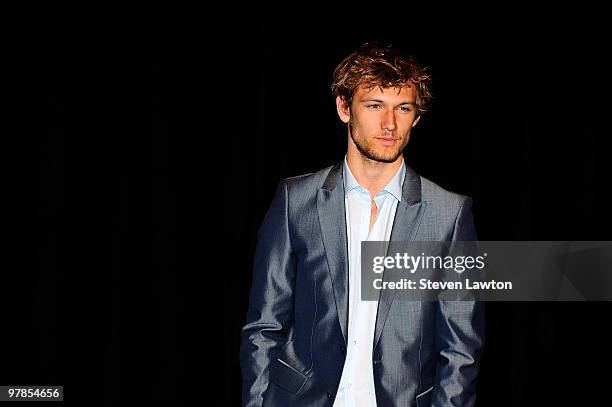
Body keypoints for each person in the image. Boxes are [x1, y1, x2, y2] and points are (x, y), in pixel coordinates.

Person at [240, 42, 484, 407]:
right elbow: (264, 327)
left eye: (403, 108)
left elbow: (461, 350)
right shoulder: (296, 201)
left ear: (416, 116)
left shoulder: (449, 215)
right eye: (374, 106)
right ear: (344, 107)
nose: (390, 124)